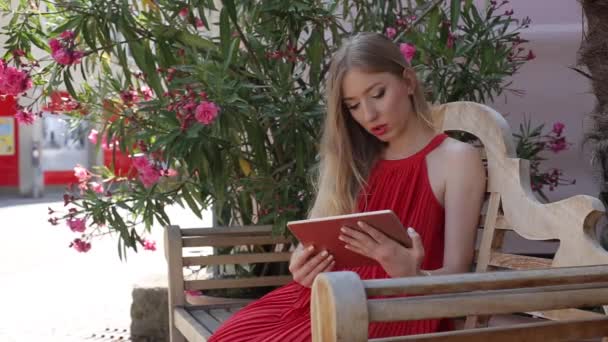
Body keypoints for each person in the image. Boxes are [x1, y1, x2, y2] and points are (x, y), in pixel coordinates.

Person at [209, 32, 486, 341]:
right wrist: (303, 266)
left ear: (408, 81)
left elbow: (459, 279)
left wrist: (411, 274)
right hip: (330, 300)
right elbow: (322, 242)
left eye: (378, 94)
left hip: (397, 312)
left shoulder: (457, 159)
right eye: (353, 105)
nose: (369, 116)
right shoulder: (355, 159)